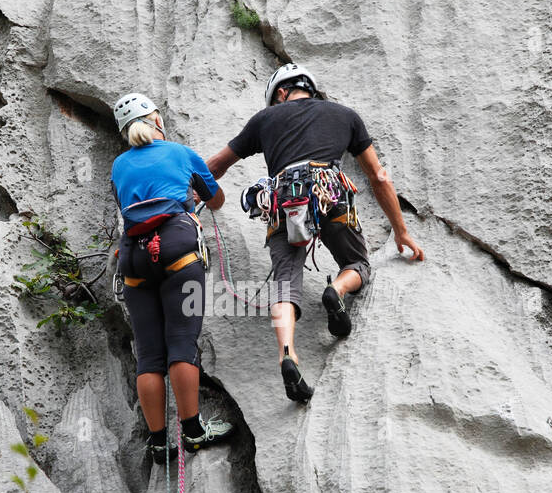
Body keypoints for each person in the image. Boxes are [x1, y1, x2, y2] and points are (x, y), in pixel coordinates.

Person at [206, 64, 425, 403]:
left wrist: (184, 192)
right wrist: (401, 232)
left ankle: (288, 356)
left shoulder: (264, 121)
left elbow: (216, 166)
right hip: (331, 191)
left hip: (283, 200)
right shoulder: (345, 115)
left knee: (285, 283)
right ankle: (337, 289)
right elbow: (379, 177)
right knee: (356, 262)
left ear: (280, 94)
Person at [110, 92, 234, 463]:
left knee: (149, 355)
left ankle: (159, 442)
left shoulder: (119, 165)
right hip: (179, 248)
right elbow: (216, 200)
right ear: (155, 120)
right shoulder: (180, 153)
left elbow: (127, 205)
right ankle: (193, 432)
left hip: (133, 258)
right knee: (181, 343)